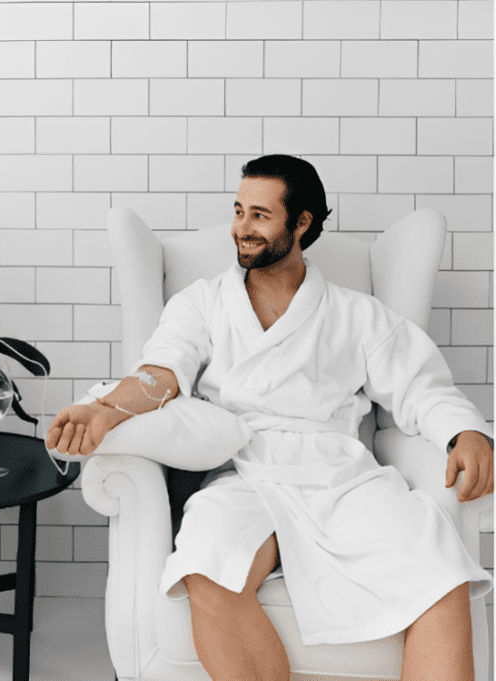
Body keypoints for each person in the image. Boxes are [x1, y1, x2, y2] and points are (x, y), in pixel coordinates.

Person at [47, 155, 493, 681]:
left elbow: (422, 387)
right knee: (206, 567)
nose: (241, 228)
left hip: (338, 474)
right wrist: (105, 409)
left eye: (259, 215)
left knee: (440, 574)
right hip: (243, 468)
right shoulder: (203, 303)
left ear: (301, 223)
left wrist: (466, 432)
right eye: (238, 211)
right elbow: (160, 373)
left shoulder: (357, 314)